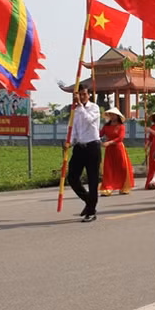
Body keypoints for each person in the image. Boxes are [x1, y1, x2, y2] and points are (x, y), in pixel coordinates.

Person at [66, 84, 101, 223]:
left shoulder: (94, 108)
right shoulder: (74, 110)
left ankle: (91, 211)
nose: (81, 97)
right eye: (78, 95)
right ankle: (89, 200)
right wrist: (69, 141)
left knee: (92, 179)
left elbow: (88, 120)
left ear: (88, 95)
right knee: (72, 177)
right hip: (79, 148)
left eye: (84, 94)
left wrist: (80, 106)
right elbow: (73, 128)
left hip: (92, 146)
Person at [99, 108, 134, 196]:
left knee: (122, 167)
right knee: (108, 168)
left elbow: (120, 138)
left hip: (118, 148)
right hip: (109, 150)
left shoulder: (121, 126)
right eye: (110, 114)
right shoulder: (106, 126)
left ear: (117, 116)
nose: (112, 116)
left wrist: (109, 143)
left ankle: (124, 186)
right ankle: (108, 187)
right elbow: (100, 134)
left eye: (113, 114)